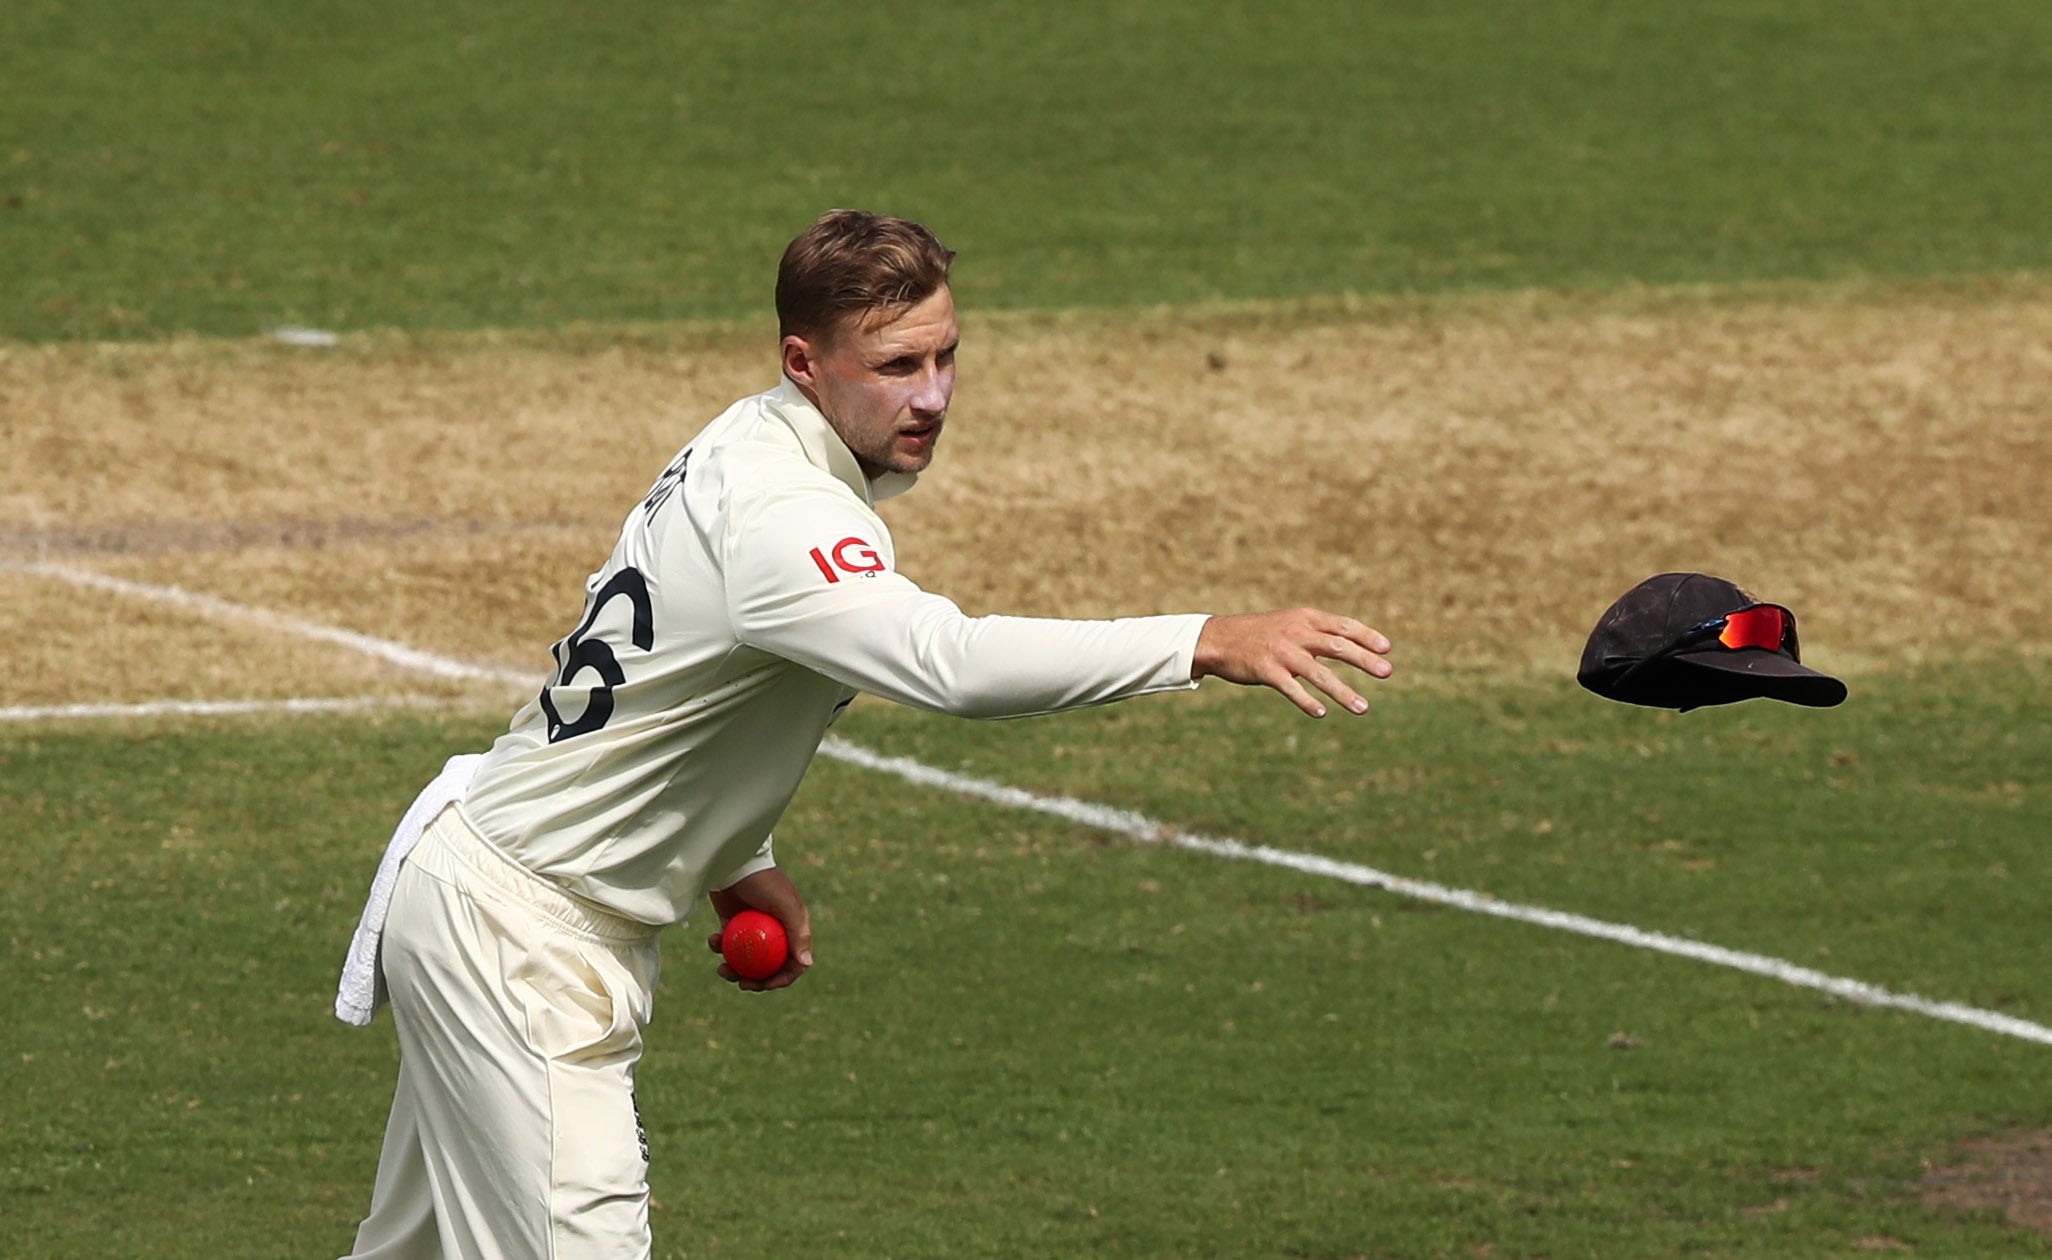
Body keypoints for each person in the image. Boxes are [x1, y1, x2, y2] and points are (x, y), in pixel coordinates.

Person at [338, 209, 1393, 1259]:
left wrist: (733, 856)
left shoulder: (740, 441)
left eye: (946, 357)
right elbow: (951, 664)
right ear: (806, 360)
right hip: (524, 942)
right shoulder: (787, 516)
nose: (931, 394)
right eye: (895, 365)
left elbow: (667, 682)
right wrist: (1202, 641)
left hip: (492, 881)